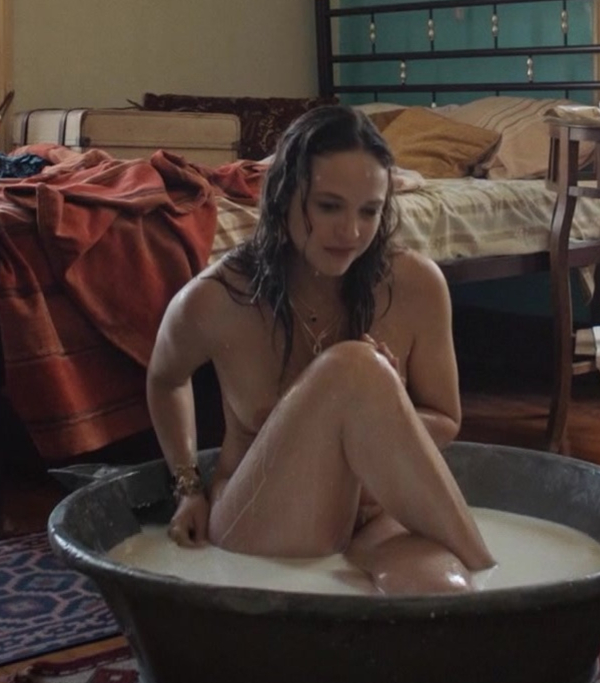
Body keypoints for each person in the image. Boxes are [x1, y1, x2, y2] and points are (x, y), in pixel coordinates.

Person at [146, 105, 496, 594]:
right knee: (354, 366)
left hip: (374, 514)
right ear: (284, 197)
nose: (350, 232)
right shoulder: (221, 297)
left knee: (446, 588)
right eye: (329, 207)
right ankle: (500, 582)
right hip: (263, 517)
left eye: (369, 211)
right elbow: (165, 379)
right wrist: (187, 488)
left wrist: (382, 409)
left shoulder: (416, 285)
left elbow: (444, 418)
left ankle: (494, 589)